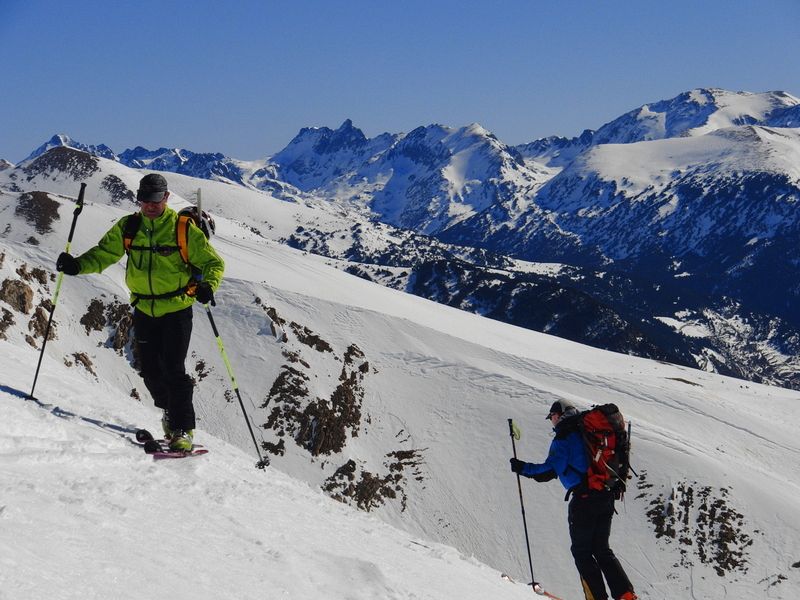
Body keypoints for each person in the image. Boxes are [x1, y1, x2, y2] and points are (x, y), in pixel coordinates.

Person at [56, 173, 225, 451]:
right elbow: (104, 253)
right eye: (145, 199)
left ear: (167, 198)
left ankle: (183, 428)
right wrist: (76, 266)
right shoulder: (129, 227)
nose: (150, 205)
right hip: (144, 309)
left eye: (156, 199)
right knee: (149, 371)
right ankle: (169, 412)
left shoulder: (181, 229)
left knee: (174, 368)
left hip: (176, 309)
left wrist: (208, 284)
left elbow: (213, 262)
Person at [510, 400, 638, 600]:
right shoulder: (586, 430)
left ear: (558, 415)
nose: (551, 421)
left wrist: (522, 468)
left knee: (582, 553)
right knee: (602, 549)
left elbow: (550, 470)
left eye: (551, 416)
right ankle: (626, 596)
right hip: (606, 495)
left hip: (585, 500)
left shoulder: (565, 436)